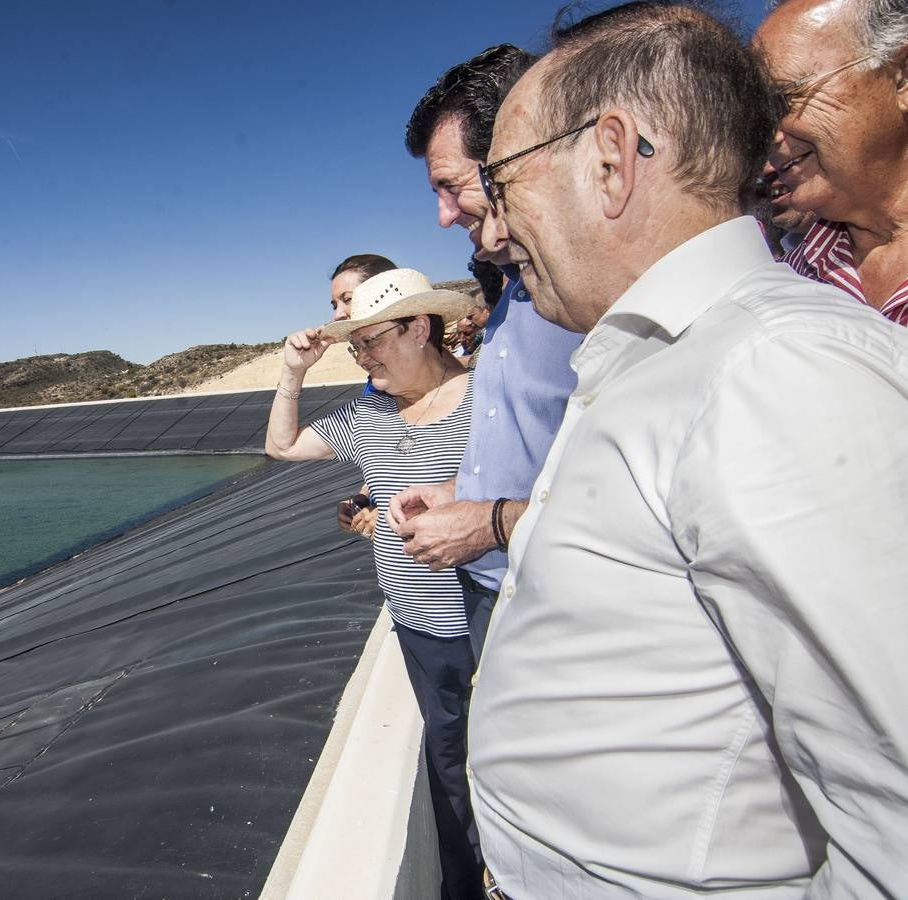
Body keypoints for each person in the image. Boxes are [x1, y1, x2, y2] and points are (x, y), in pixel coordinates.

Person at [470, 3, 908, 896]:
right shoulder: (674, 361)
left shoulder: (774, 370)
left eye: (501, 183)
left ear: (607, 159)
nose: (490, 230)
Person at [265, 268, 486, 900]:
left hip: (495, 620)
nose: (362, 357)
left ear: (420, 328)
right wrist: (293, 372)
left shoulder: (485, 399)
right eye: (355, 345)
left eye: (371, 342)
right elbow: (281, 447)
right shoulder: (366, 416)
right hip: (422, 630)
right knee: (449, 766)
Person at [388, 47, 583, 660]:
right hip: (502, 583)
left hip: (561, 604)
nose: (444, 217)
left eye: (451, 186)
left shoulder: (588, 298)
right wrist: (461, 492)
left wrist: (489, 522)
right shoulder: (518, 295)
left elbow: (644, 506)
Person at [756, 0, 908, 325]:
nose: (766, 137)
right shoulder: (787, 291)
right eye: (757, 116)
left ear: (902, 77)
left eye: (784, 97)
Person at [328, 253, 399, 538]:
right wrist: (364, 497)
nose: (338, 313)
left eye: (347, 299)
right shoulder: (376, 383)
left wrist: (391, 510)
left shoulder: (452, 384)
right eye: (335, 304)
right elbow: (391, 460)